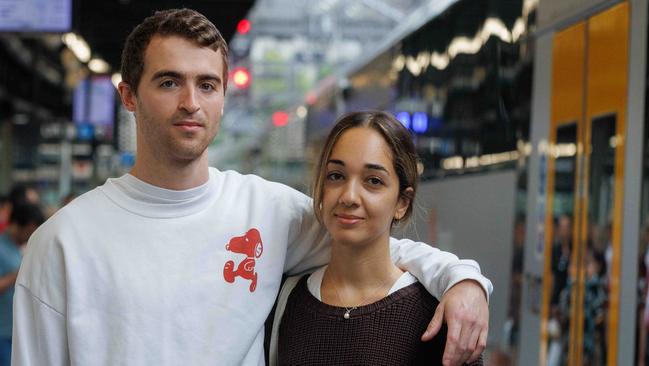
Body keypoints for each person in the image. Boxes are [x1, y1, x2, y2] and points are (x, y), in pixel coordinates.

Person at [13, 9, 491, 366]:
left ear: (224, 96)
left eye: (206, 85)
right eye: (168, 82)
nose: (190, 103)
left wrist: (465, 281)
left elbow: (376, 241)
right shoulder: (62, 243)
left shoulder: (267, 212)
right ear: (129, 96)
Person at [269, 111, 484, 365]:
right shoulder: (287, 299)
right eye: (336, 176)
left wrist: (469, 282)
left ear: (402, 203)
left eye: (373, 181)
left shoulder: (438, 314)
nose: (348, 196)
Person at [0, 203, 44, 366]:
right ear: (18, 224)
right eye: (30, 230)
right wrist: (19, 273)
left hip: (17, 332)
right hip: (3, 334)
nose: (30, 235)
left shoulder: (20, 248)